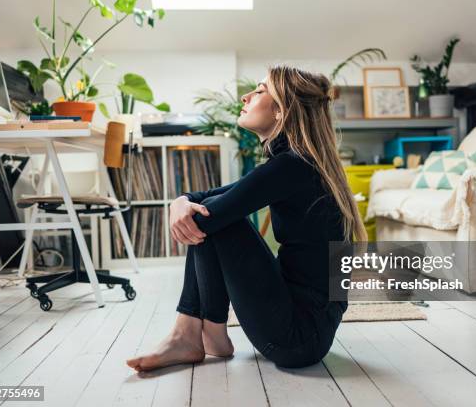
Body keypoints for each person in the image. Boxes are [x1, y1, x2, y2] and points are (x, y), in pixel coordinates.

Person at [126, 65, 367, 372]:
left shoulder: (292, 166)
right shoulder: (297, 163)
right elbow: (209, 198)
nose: (245, 96)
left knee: (214, 215)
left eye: (259, 90)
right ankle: (206, 333)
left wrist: (186, 205)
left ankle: (190, 333)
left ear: (281, 110)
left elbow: (209, 211)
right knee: (214, 210)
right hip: (304, 331)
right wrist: (179, 201)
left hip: (297, 338)